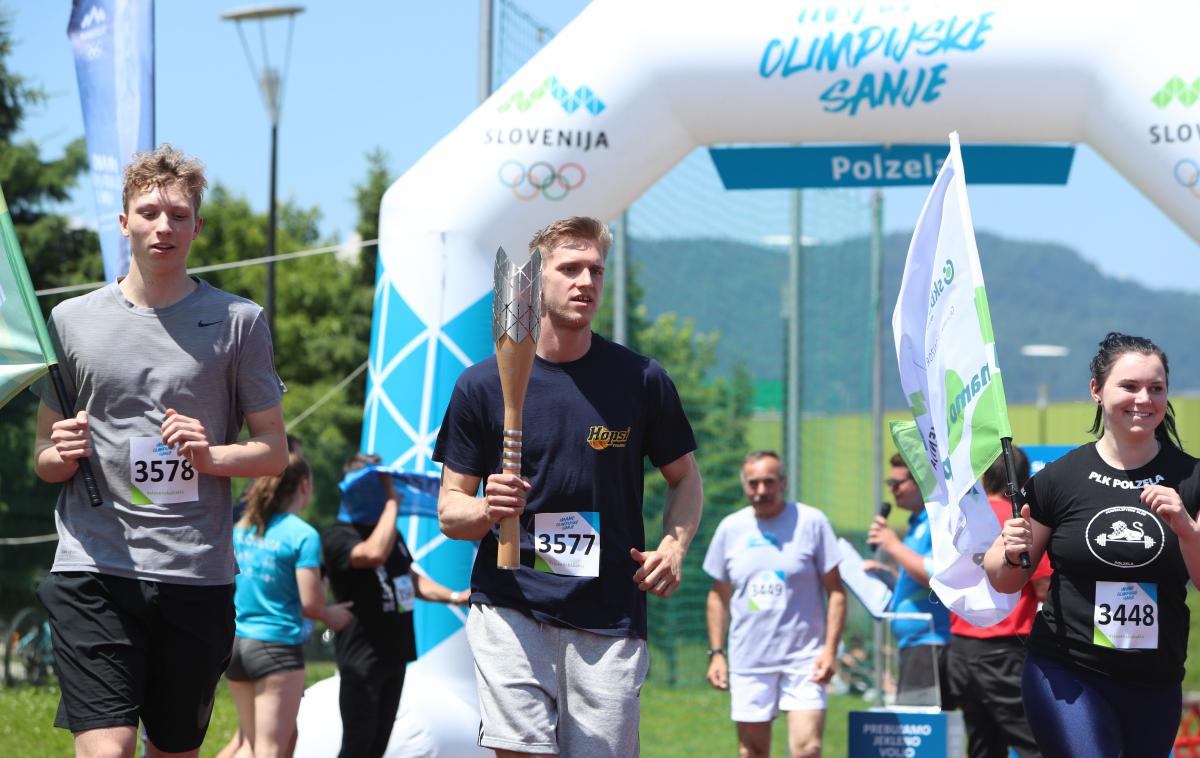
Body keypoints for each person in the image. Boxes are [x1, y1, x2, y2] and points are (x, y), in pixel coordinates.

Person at [32, 144, 288, 758]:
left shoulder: (237, 321)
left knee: (172, 750)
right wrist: (59, 451)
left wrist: (212, 455)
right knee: (110, 747)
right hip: (93, 564)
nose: (163, 226)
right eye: (149, 212)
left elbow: (274, 452)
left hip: (194, 572)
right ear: (124, 223)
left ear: (197, 227)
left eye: (178, 215)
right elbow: (43, 456)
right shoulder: (69, 321)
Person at [435, 216, 704, 757]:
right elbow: (449, 513)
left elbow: (686, 480)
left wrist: (674, 547)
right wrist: (489, 506)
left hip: (610, 614)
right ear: (534, 279)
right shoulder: (482, 385)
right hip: (511, 605)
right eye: (570, 268)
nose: (586, 281)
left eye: (596, 270)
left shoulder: (641, 380)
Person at [987, 332, 1200, 758]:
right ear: (1096, 391)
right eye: (1130, 386)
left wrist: (1186, 529)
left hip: (1154, 680)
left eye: (1155, 389)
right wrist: (1011, 552)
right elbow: (1005, 579)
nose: (1144, 399)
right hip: (1067, 670)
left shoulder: (1191, 479)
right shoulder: (1059, 478)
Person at [322, 454, 469, 758]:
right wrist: (392, 501)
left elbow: (412, 581)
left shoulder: (392, 535)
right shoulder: (338, 535)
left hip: (395, 654)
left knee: (377, 748)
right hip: (362, 657)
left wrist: (455, 597)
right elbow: (372, 554)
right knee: (356, 747)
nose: (389, 493)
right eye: (379, 486)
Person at [702, 450, 846, 758]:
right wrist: (716, 653)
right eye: (753, 483)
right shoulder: (730, 528)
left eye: (769, 482)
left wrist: (830, 651)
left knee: (808, 748)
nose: (761, 491)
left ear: (783, 483)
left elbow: (836, 591)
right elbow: (718, 595)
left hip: (805, 660)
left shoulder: (812, 522)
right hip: (749, 659)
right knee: (751, 751)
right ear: (745, 486)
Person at [219, 448, 354, 758]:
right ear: (304, 485)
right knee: (270, 751)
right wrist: (331, 614)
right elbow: (310, 603)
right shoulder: (303, 535)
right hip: (276, 648)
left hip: (236, 645)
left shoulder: (240, 529)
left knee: (250, 745)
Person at [947, 446, 1049, 758]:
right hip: (1004, 648)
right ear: (1022, 479)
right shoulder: (1019, 522)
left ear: (984, 477)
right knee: (1037, 742)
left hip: (961, 647)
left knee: (982, 745)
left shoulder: (962, 517)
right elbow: (1043, 585)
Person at [866, 453, 952, 707]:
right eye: (889, 483)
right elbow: (916, 578)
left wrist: (892, 545)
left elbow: (938, 576)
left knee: (922, 731)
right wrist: (889, 576)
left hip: (930, 643)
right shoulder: (916, 524)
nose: (892, 490)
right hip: (913, 646)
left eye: (897, 483)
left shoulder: (938, 522)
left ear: (920, 481)